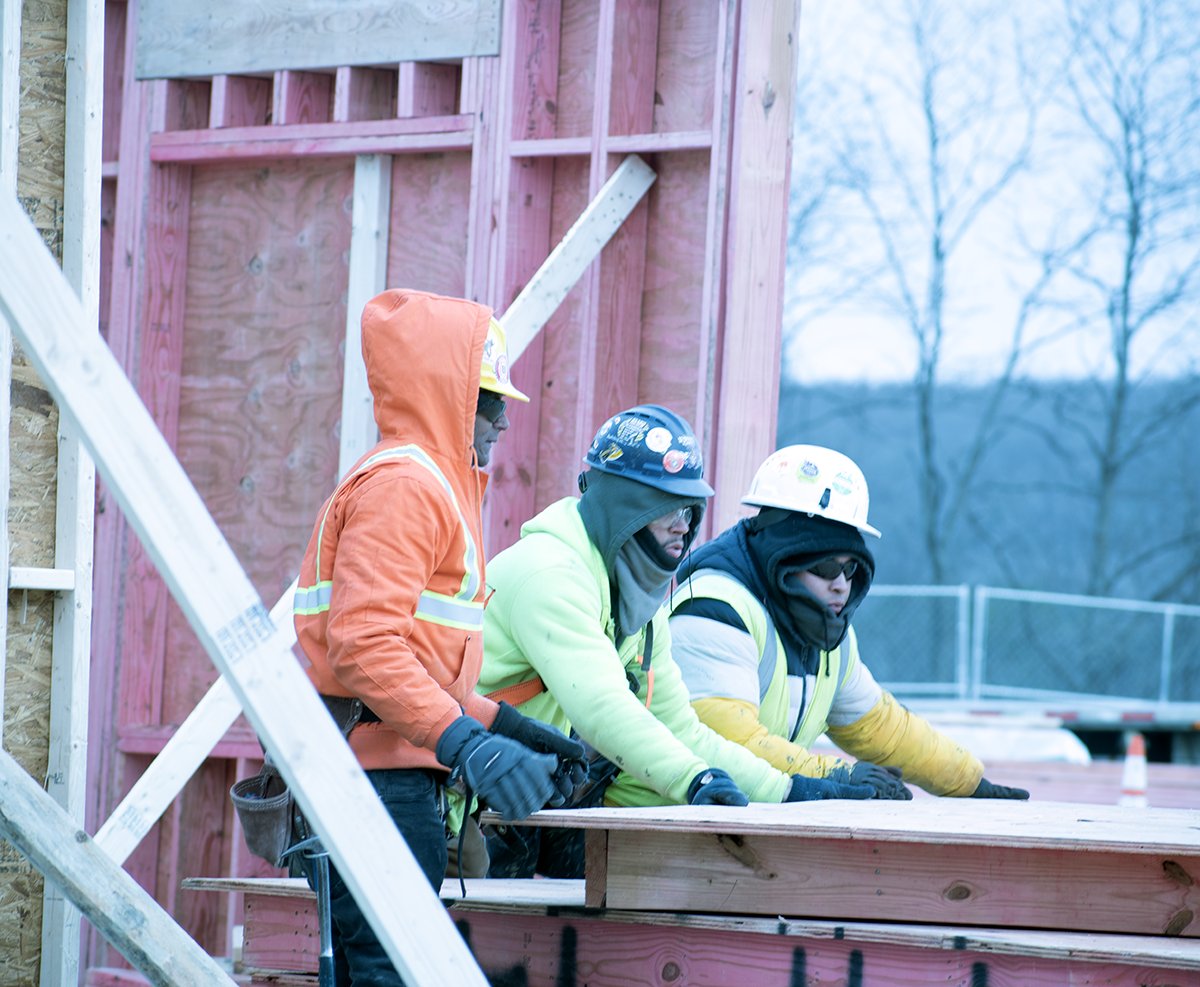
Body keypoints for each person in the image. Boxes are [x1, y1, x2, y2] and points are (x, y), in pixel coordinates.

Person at [292, 289, 585, 985]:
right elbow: (364, 647)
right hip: (375, 790)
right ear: (448, 394)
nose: (503, 420)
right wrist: (467, 744)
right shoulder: (406, 487)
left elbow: (416, 673)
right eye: (489, 399)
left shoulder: (423, 484)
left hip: (378, 782)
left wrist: (510, 728)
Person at [474, 407, 879, 880]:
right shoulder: (549, 573)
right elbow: (603, 708)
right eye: (668, 507)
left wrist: (790, 790)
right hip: (462, 796)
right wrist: (694, 779)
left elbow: (684, 731)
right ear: (624, 506)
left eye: (690, 511)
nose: (684, 526)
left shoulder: (635, 603)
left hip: (510, 796)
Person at [669, 443, 1030, 802]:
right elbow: (726, 743)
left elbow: (880, 727)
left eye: (851, 568)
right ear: (780, 558)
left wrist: (969, 782)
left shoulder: (827, 635)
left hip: (739, 813)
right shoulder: (714, 610)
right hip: (673, 816)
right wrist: (835, 775)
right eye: (825, 566)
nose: (841, 584)